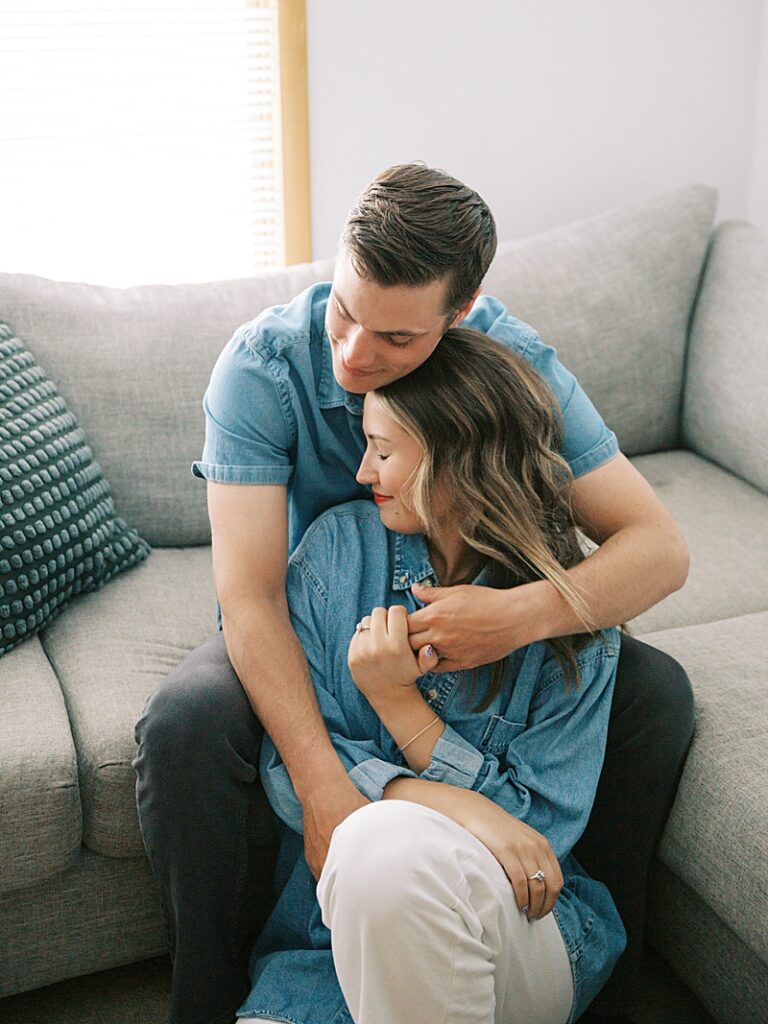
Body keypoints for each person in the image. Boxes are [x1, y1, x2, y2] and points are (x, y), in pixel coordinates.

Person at [132, 163, 694, 1024]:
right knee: (186, 722)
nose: (356, 356)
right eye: (344, 313)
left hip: (476, 590)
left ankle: (584, 960)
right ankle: (206, 1001)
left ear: (459, 315)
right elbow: (249, 597)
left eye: (396, 340)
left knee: (651, 690)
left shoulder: (506, 366)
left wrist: (516, 617)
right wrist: (325, 788)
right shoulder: (261, 366)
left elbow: (657, 546)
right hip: (307, 605)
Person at [238, 327, 626, 1024]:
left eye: (383, 451)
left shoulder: (574, 623)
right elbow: (294, 772)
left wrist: (400, 708)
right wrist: (463, 804)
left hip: (518, 929)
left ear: (461, 461)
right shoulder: (335, 556)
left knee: (377, 848)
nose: (362, 472)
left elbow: (538, 834)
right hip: (318, 957)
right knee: (369, 852)